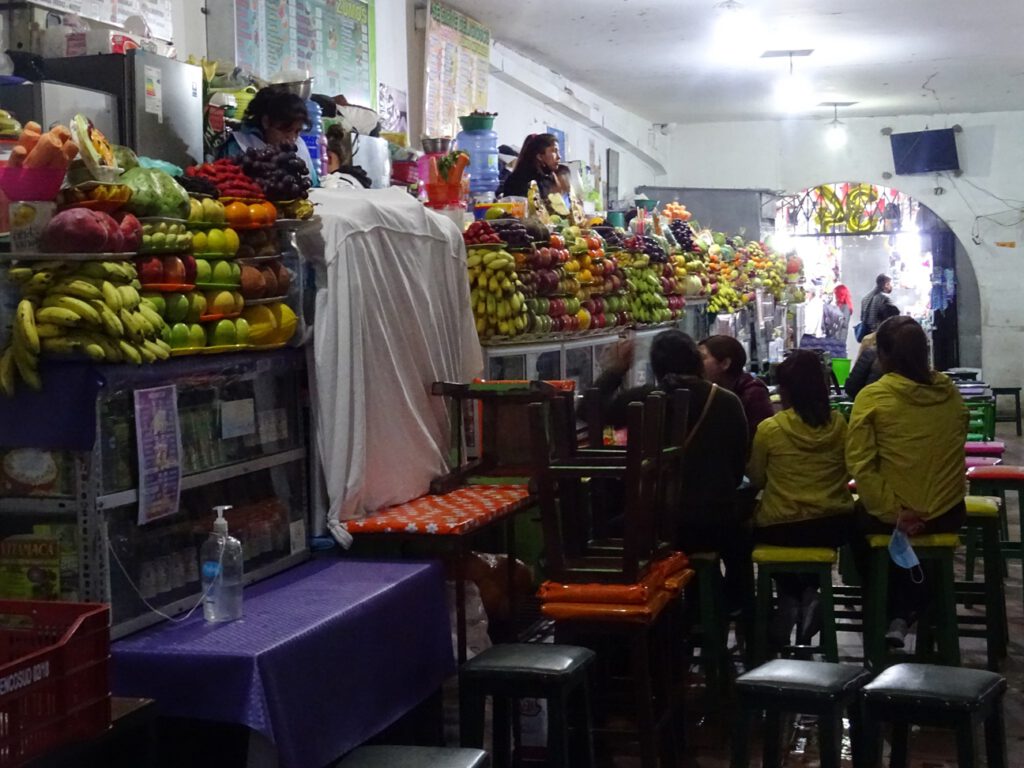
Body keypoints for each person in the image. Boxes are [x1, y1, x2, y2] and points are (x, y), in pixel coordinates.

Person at [594, 330, 750, 609]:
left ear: (656, 367)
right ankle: (733, 609)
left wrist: (616, 371)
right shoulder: (728, 402)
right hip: (714, 525)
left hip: (655, 528)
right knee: (740, 532)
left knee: (606, 528)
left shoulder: (642, 399)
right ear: (697, 362)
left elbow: (589, 410)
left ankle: (646, 615)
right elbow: (738, 472)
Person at [846, 316, 968, 648]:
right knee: (911, 533)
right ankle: (915, 604)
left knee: (856, 528)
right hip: (948, 511)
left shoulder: (872, 398)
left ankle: (888, 612)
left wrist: (894, 511)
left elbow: (860, 464)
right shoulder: (950, 393)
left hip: (894, 518)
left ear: (883, 356)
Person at [747, 350, 855, 647]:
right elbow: (849, 470)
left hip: (782, 525)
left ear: (786, 390)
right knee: (810, 541)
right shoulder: (840, 425)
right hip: (833, 524)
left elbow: (756, 478)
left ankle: (789, 600)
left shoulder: (770, 429)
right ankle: (809, 594)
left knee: (755, 531)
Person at [218, 87, 320, 185]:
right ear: (266, 122)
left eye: (297, 132)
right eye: (285, 130)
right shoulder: (239, 146)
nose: (292, 138)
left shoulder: (299, 146)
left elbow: (314, 185)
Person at [699, 335, 774, 444]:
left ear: (725, 364)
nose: (698, 364)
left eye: (703, 358)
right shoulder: (709, 390)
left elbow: (757, 439)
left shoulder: (753, 392)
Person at [845, 303, 901, 400]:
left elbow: (854, 381)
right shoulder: (904, 345)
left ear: (879, 322)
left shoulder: (869, 342)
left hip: (870, 399)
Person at [500, 133, 562, 199]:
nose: (559, 156)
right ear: (540, 156)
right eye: (554, 151)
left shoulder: (550, 178)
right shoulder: (520, 181)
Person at [858, 274, 894, 338]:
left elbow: (862, 318)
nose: (892, 286)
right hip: (880, 336)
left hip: (866, 337)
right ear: (886, 285)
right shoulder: (884, 299)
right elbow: (891, 320)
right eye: (891, 284)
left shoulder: (865, 298)